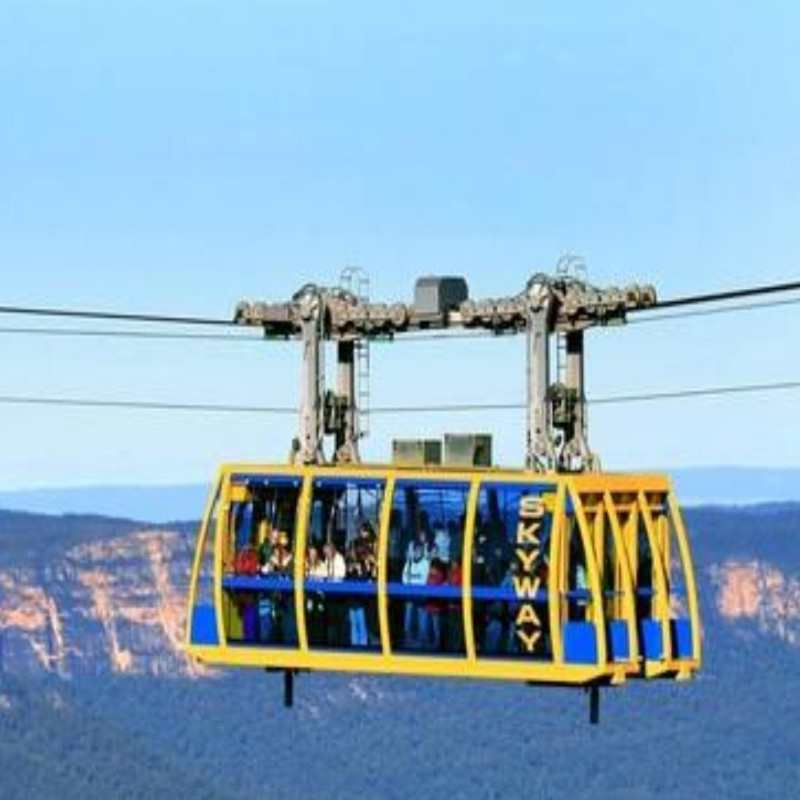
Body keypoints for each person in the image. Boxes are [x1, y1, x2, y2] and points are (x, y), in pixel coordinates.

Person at [401, 541, 430, 646]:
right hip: (409, 595)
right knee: (408, 618)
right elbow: (404, 578)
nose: (417, 552)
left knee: (421, 619)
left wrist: (413, 581)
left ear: (422, 551)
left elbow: (424, 579)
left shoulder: (425, 563)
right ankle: (408, 639)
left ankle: (422, 640)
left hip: (421, 595)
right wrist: (409, 583)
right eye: (416, 550)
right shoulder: (409, 562)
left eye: (420, 550)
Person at [423, 557, 447, 650]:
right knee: (427, 627)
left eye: (432, 567)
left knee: (436, 627)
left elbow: (433, 586)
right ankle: (427, 644)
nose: (431, 569)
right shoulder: (429, 575)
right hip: (429, 605)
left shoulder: (440, 575)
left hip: (436, 607)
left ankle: (437, 645)